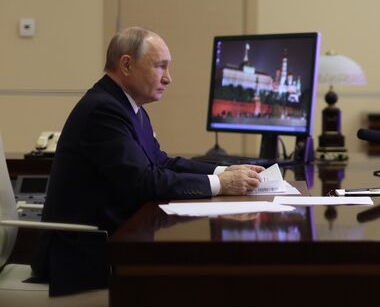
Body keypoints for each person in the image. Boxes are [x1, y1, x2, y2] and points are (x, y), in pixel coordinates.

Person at [31, 27, 264, 295]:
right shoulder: (103, 110)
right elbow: (144, 181)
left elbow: (161, 163)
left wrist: (225, 170)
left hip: (112, 240)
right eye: (160, 66)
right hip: (82, 256)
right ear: (126, 65)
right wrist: (221, 184)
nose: (168, 78)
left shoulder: (128, 107)